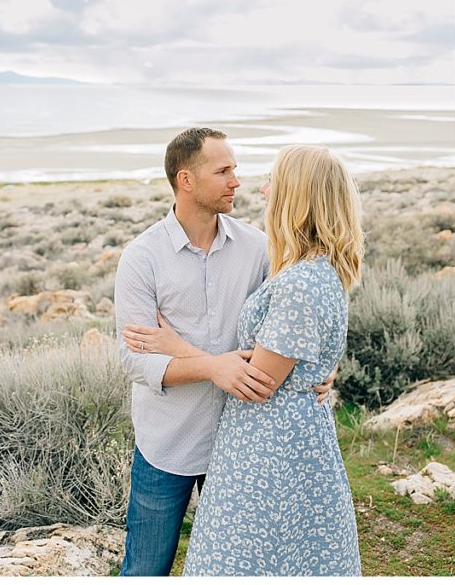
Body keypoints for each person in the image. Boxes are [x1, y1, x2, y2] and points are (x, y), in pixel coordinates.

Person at [114, 128, 335, 576]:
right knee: (145, 569)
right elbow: (135, 360)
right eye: (224, 171)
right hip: (167, 445)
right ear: (186, 180)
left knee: (237, 569)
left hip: (242, 449)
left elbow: (293, 320)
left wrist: (320, 369)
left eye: (235, 168)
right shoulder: (142, 258)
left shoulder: (259, 247)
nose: (237, 180)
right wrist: (213, 367)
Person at [176, 145, 362, 575]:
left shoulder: (300, 282)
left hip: (271, 450)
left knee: (251, 559)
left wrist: (172, 343)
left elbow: (259, 382)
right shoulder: (315, 270)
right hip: (286, 438)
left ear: (297, 197)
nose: (262, 189)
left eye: (274, 181)